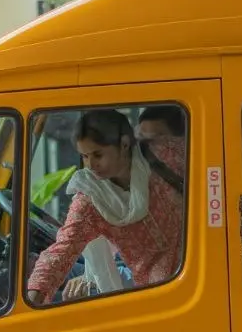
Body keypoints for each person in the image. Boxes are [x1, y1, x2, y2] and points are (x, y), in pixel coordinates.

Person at [26, 109, 185, 306]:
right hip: (161, 293)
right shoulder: (91, 199)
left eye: (98, 154)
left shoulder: (163, 155)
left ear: (125, 144)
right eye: (84, 156)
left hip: (205, 267)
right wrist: (31, 301)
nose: (90, 165)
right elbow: (61, 251)